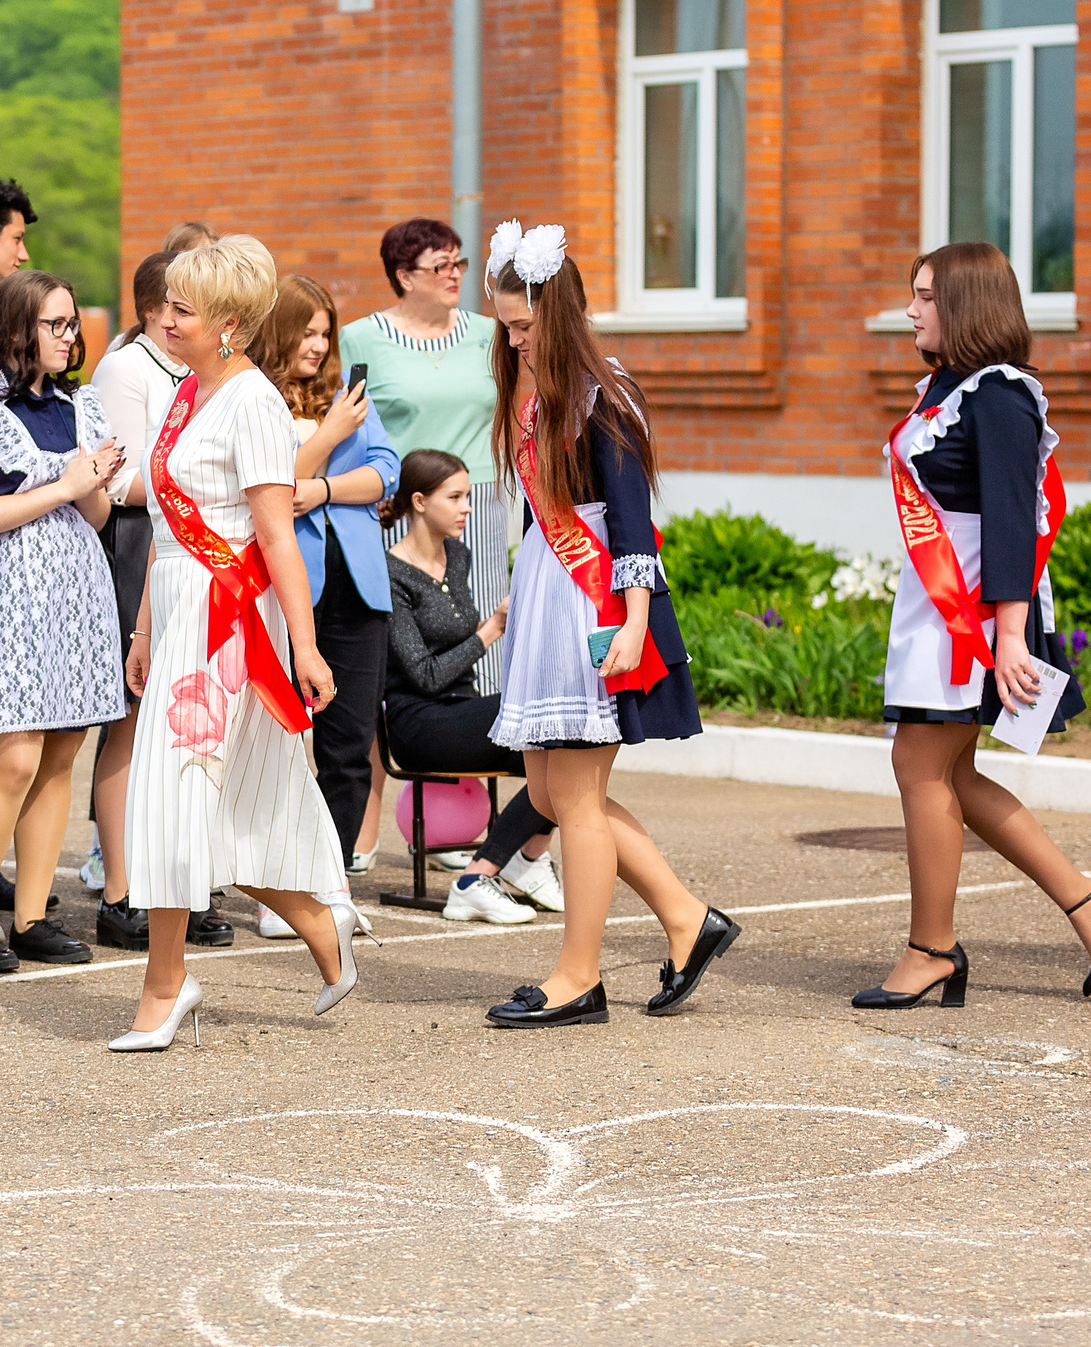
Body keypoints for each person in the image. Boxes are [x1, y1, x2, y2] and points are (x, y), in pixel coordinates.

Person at [863, 240, 1091, 1010]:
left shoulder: (1001, 394)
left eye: (925, 296)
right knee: (949, 773)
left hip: (980, 612)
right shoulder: (947, 387)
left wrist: (1009, 637)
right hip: (936, 605)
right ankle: (1086, 898)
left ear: (967, 305)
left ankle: (931, 950)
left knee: (921, 767)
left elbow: (1015, 518)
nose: (910, 310)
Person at [479, 224, 738, 1029]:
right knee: (551, 792)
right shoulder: (537, 393)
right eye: (506, 328)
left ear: (558, 313)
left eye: (524, 326)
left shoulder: (603, 393)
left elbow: (630, 521)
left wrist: (633, 621)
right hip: (550, 596)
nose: (514, 341)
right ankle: (688, 919)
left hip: (594, 604)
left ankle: (577, 976)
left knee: (577, 797)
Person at [116, 236, 354, 1051]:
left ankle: (165, 984)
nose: (165, 318)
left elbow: (277, 536)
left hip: (226, 623)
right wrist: (144, 628)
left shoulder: (252, 402)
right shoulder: (185, 391)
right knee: (206, 803)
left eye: (182, 308)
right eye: (166, 305)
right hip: (178, 608)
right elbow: (165, 526)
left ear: (228, 323)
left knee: (179, 796)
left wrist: (306, 647)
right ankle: (319, 923)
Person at [0, 269, 124, 973]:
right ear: (17, 328)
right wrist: (65, 484)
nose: (69, 336)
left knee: (62, 752)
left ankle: (33, 917)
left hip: (75, 589)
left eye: (72, 324)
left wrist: (91, 483)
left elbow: (96, 515)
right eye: (55, 324)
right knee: (13, 757)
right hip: (6, 591)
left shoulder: (78, 403)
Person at [84, 251, 232, 953]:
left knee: (193, 718)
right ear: (153, 308)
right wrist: (203, 481)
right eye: (176, 304)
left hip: (197, 546)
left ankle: (185, 882)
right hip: (140, 543)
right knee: (135, 718)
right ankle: (121, 890)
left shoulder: (207, 374)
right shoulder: (126, 369)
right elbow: (117, 479)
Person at [379, 448, 565, 925]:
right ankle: (482, 879)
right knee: (550, 723)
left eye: (467, 496)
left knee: (567, 742)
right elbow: (423, 675)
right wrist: (491, 629)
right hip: (419, 724)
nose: (467, 507)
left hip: (464, 711)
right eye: (455, 497)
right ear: (419, 501)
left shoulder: (457, 555)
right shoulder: (390, 573)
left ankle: (522, 859)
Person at [257, 274, 398, 875]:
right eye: (306, 332)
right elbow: (274, 485)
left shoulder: (346, 396)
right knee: (277, 745)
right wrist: (332, 436)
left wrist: (323, 490)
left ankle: (328, 880)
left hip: (360, 590)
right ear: (279, 331)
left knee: (349, 749)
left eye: (325, 333)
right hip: (287, 592)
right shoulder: (255, 397)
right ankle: (276, 877)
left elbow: (386, 472)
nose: (318, 345)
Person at [340, 218, 507, 691]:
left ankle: (484, 721)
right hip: (401, 503)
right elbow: (349, 426)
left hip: (476, 499)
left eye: (459, 263)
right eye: (440, 266)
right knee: (404, 631)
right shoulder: (360, 338)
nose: (455, 274)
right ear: (404, 276)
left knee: (486, 612)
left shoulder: (490, 334)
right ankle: (406, 723)